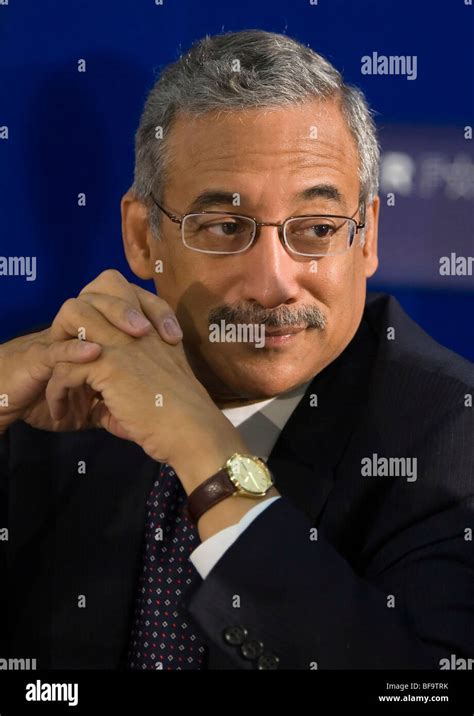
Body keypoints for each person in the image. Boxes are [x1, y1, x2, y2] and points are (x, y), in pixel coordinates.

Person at [0, 29, 473, 671]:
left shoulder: (452, 435)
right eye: (225, 227)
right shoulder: (63, 394)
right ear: (143, 237)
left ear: (366, 238)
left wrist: (208, 454)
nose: (274, 283)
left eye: (317, 229)